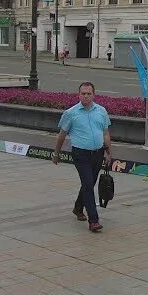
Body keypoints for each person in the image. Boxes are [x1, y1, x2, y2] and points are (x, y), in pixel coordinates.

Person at [53, 82, 111, 233]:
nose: (86, 96)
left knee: (89, 184)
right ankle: (94, 220)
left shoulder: (101, 111)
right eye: (83, 93)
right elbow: (62, 135)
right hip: (81, 154)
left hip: (98, 153)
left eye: (89, 93)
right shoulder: (71, 113)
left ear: (94, 95)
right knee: (87, 184)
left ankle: (78, 208)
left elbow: (105, 133)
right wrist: (56, 154)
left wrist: (109, 152)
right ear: (78, 95)